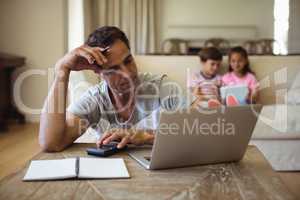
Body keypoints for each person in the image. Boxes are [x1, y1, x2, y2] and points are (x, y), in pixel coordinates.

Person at [39, 26, 180, 152]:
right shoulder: (95, 99)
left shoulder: (163, 87)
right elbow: (51, 143)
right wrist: (62, 70)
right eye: (113, 69)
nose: (127, 73)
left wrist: (146, 136)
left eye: (128, 61)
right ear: (98, 72)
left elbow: (199, 135)